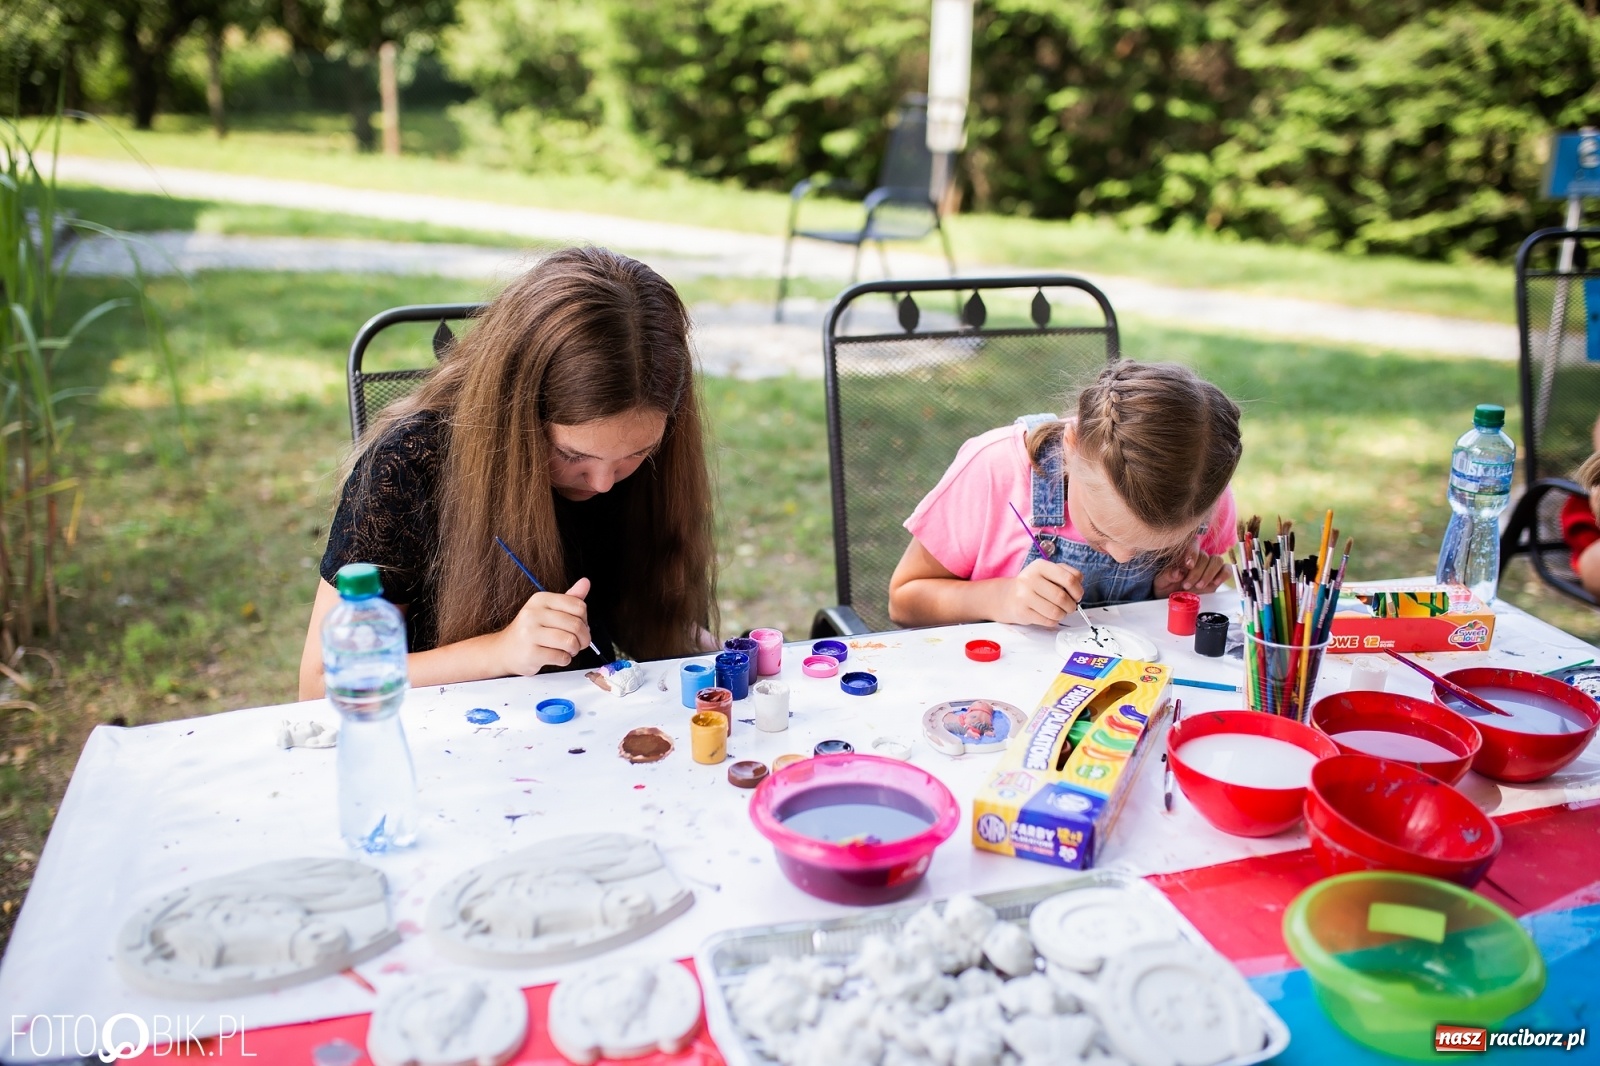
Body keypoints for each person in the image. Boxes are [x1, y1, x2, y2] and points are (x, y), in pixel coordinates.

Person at [298, 247, 716, 699]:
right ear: (515, 416)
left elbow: (619, 606)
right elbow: (320, 685)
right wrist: (499, 651)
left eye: (638, 453)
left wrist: (684, 640)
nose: (603, 483)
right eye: (572, 455)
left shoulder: (643, 462)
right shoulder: (408, 465)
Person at [888, 360, 1242, 627]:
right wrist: (1001, 598)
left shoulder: (1197, 492)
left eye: (1153, 550)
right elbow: (903, 602)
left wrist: (1168, 593)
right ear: (1070, 449)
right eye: (1102, 531)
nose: (1122, 556)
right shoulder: (995, 471)